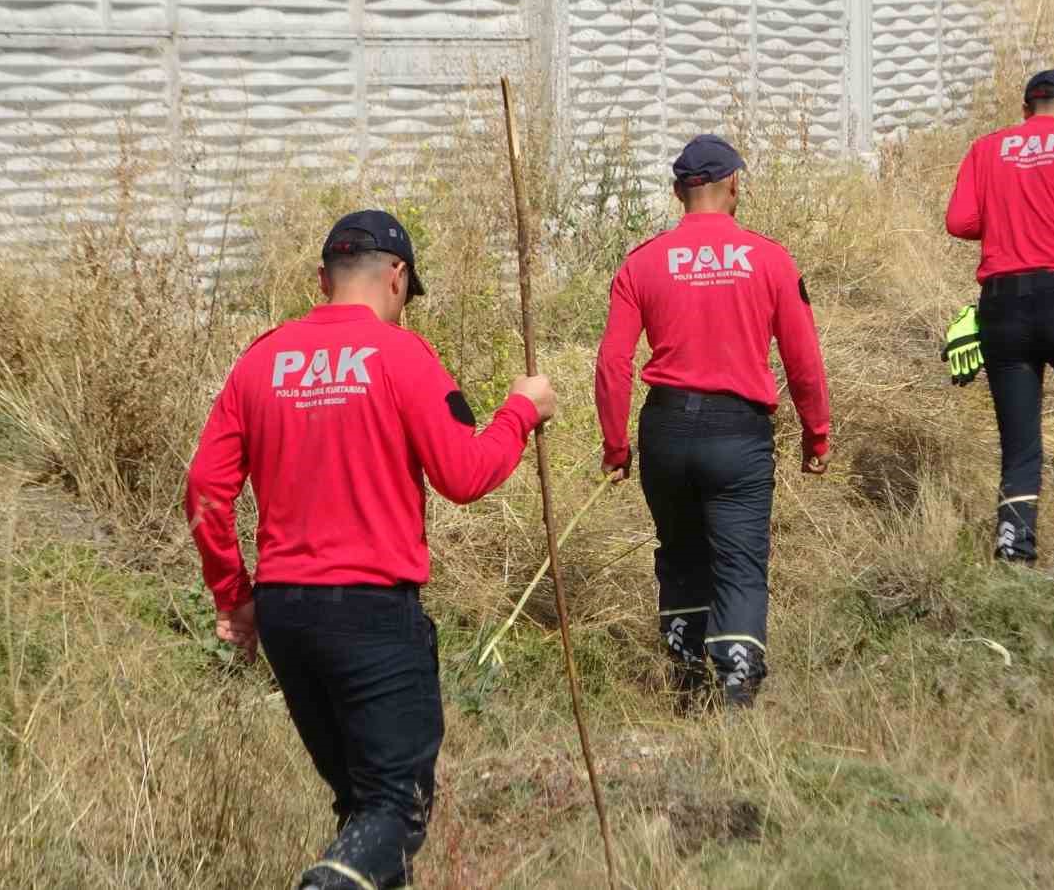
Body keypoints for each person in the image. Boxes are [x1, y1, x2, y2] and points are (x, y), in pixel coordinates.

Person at [184, 210, 556, 889]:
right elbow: (465, 475)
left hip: (286, 617)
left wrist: (233, 597)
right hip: (372, 616)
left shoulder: (261, 360)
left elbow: (207, 487)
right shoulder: (400, 355)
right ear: (397, 276)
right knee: (394, 807)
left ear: (322, 279)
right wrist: (521, 411)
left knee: (361, 806)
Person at [594, 134, 832, 708]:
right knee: (739, 560)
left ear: (678, 192)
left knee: (680, 553)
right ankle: (737, 685)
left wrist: (616, 445)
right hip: (737, 434)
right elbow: (803, 357)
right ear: (734, 186)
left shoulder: (642, 262)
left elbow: (612, 362)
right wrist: (816, 432)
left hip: (667, 430)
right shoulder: (769, 259)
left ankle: (686, 674)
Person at [944, 69, 1054, 563]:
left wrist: (1004, 220)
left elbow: (960, 221)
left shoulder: (986, 148)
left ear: (1025, 110)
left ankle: (1014, 551)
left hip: (1002, 306)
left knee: (1020, 441)